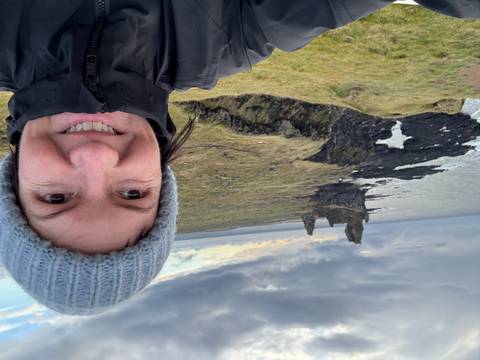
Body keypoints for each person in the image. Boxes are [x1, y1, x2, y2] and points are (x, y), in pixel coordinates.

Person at [0, 0, 478, 315]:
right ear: (161, 177)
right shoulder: (228, 36)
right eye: (131, 193)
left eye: (58, 196)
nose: (96, 155)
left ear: (16, 178)